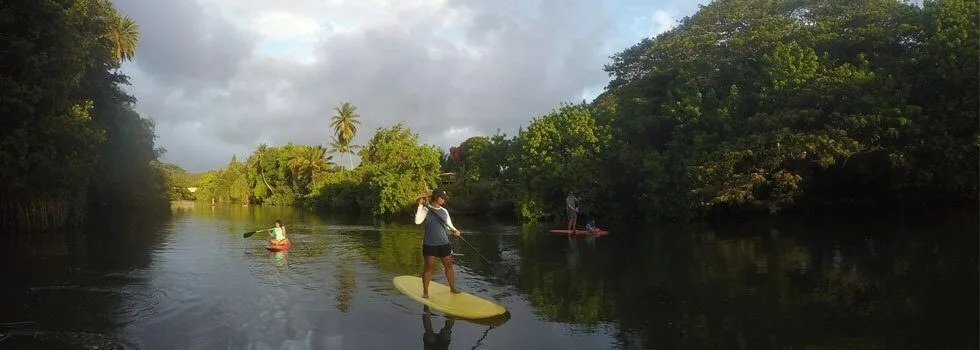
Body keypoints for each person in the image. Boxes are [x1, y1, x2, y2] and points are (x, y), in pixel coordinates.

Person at [414, 188, 461, 298]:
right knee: (428, 268)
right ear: (436, 198)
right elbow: (417, 221)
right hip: (430, 244)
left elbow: (449, 225)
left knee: (449, 266)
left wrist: (455, 230)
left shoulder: (444, 211)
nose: (444, 200)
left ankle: (452, 288)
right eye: (442, 198)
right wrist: (420, 206)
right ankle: (425, 292)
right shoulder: (426, 209)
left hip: (444, 243)